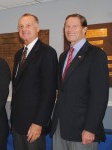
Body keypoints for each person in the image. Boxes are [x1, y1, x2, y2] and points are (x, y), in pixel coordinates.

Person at [51, 13, 109, 150]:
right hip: (60, 127)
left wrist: (90, 128)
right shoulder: (63, 56)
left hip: (82, 130)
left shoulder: (96, 55)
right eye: (67, 26)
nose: (70, 29)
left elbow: (100, 96)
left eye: (75, 26)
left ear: (84, 29)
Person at [10, 13, 58, 150]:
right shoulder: (19, 54)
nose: (24, 29)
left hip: (34, 125)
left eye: (28, 25)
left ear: (38, 28)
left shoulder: (47, 53)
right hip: (17, 124)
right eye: (21, 26)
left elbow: (49, 92)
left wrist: (39, 123)